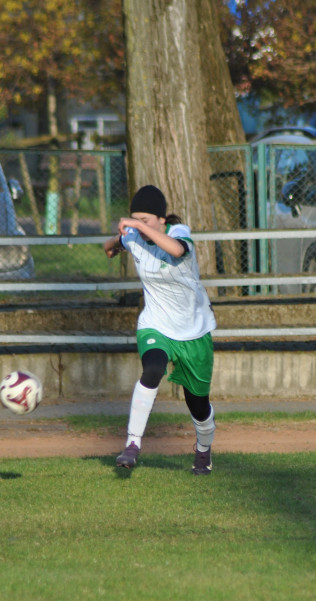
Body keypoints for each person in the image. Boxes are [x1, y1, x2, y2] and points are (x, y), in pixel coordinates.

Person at [103, 185, 217, 475]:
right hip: (156, 324)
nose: (140, 226)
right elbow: (109, 245)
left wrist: (134, 227)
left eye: (146, 220)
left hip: (193, 330)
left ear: (162, 220)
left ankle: (203, 450)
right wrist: (115, 245)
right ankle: (132, 444)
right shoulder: (134, 237)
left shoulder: (178, 234)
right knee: (152, 370)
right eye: (135, 218)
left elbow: (177, 250)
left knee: (198, 405)